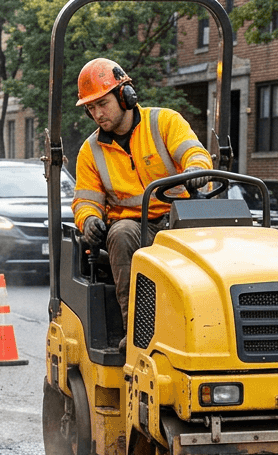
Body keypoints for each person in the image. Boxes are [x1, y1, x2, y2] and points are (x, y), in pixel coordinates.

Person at [71, 59, 212, 348]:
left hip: (180, 222)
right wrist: (89, 220)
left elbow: (194, 153)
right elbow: (86, 200)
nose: (97, 113)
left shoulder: (164, 122)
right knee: (121, 233)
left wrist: (196, 170)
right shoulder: (90, 151)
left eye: (103, 103)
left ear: (126, 96)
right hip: (135, 228)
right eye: (91, 107)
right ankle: (136, 334)